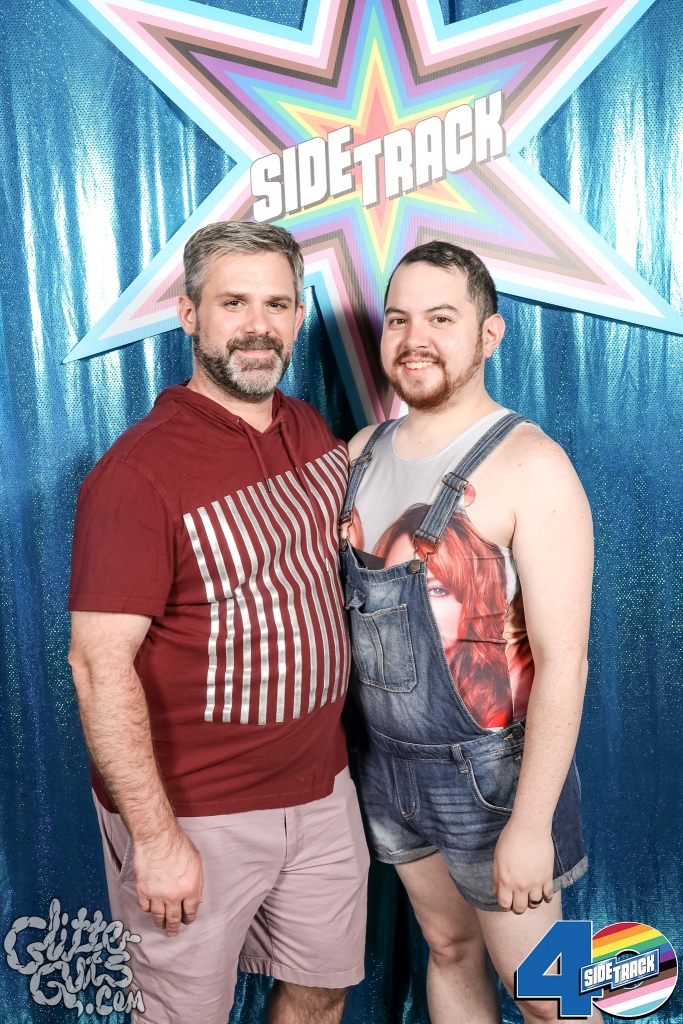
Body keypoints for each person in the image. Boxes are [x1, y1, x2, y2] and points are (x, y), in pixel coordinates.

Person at [68, 221, 369, 1024]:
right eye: (233, 303)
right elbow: (97, 665)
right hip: (195, 810)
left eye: (276, 304)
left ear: (299, 315)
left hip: (323, 790)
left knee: (321, 992)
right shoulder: (136, 473)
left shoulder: (312, 433)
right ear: (188, 314)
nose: (257, 325)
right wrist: (155, 838)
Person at [340, 240, 600, 1023]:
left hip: (495, 779)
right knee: (447, 948)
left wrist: (530, 826)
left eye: (440, 319)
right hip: (387, 768)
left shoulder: (531, 464)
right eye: (397, 320)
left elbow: (564, 662)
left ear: (489, 335)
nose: (413, 338)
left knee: (549, 995)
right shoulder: (359, 454)